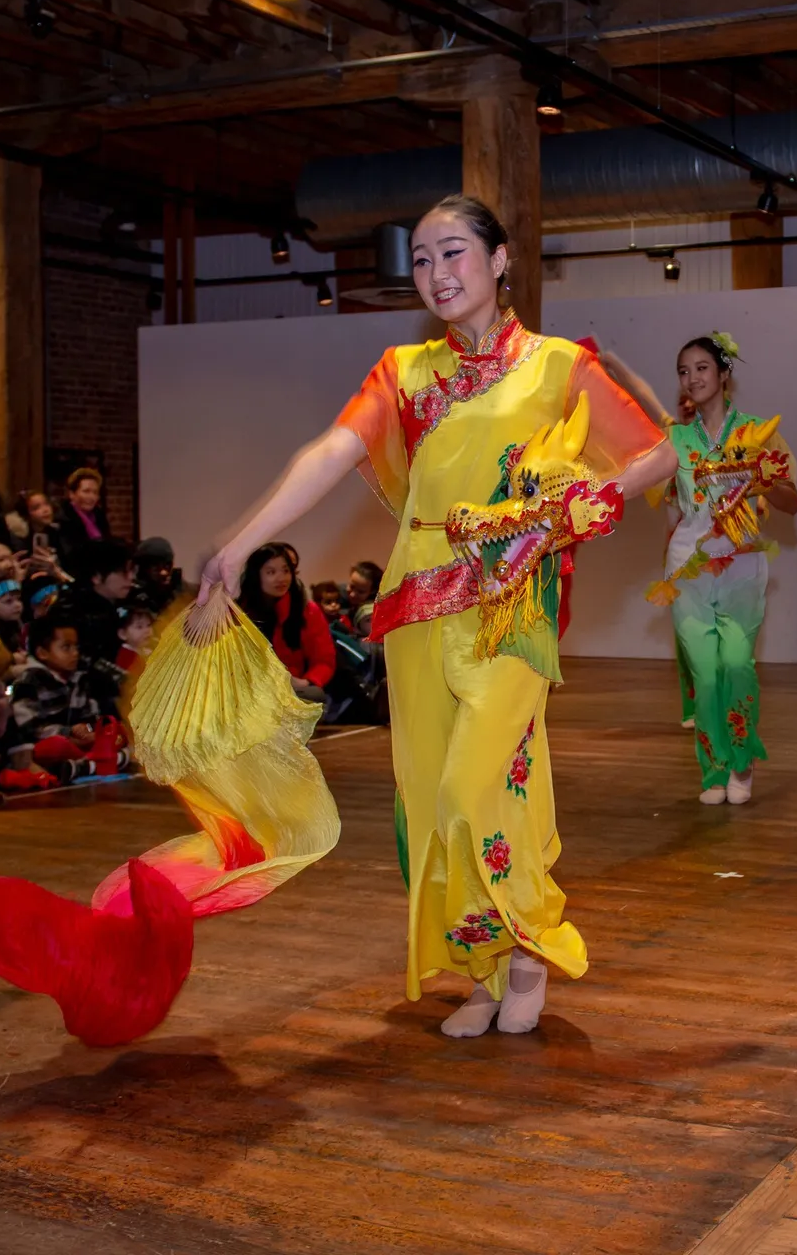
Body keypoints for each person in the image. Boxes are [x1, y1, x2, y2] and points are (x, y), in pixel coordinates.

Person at [196, 193, 672, 1038]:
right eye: (420, 259)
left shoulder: (558, 365)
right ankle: (481, 966)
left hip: (511, 602)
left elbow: (660, 451)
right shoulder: (403, 372)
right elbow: (330, 455)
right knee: (426, 794)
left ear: (499, 261)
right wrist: (239, 544)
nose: (436, 273)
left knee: (476, 783)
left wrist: (570, 510)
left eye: (452, 253)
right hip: (417, 596)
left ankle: (529, 943)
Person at [657, 331, 797, 805]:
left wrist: (761, 483)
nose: (692, 378)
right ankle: (714, 772)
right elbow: (658, 495)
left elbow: (792, 501)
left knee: (736, 665)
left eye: (701, 368)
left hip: (742, 565)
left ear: (723, 374)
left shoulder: (758, 432)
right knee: (705, 672)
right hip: (687, 569)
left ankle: (742, 761)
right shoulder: (674, 439)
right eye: (683, 370)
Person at [1, 619, 122, 789]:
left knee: (119, 734)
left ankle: (83, 765)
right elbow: (30, 727)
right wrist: (69, 733)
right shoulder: (28, 682)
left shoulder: (77, 678)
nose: (75, 653)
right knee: (57, 746)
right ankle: (88, 765)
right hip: (47, 745)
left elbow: (89, 716)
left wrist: (89, 733)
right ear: (43, 653)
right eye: (66, 647)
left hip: (78, 745)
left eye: (76, 647)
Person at [238, 543, 336, 712]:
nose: (281, 578)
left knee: (313, 694)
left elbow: (324, 659)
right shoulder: (240, 611)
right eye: (271, 572)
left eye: (286, 571)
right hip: (248, 688)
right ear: (256, 576)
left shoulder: (306, 609)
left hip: (290, 687)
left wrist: (307, 681)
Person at [50, 537, 133, 666]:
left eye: (131, 571)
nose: (131, 577)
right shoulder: (70, 613)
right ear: (97, 577)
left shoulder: (128, 603)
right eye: (123, 572)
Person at [50, 467, 112, 579]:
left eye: (95, 492)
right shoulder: (63, 520)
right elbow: (70, 556)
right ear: (72, 494)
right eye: (86, 491)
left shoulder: (99, 516)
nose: (92, 497)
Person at [134, 536, 187, 610]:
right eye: (156, 566)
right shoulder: (132, 594)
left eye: (167, 565)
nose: (163, 572)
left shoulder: (183, 592)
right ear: (144, 568)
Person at [344, 560, 384, 638]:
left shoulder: (368, 615)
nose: (352, 594)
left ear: (372, 591)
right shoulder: (341, 596)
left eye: (361, 592)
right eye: (351, 586)